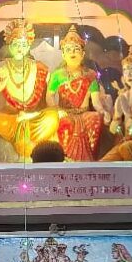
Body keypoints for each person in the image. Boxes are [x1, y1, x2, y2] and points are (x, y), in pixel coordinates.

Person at [0, 20, 59, 160]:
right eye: (16, 44)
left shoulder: (40, 68)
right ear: (9, 45)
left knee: (52, 117)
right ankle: (23, 139)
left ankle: (23, 140)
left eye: (23, 45)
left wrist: (32, 115)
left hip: (33, 118)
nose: (19, 48)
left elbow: (50, 101)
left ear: (29, 45)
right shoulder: (1, 67)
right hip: (11, 119)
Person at [46, 25, 110, 161]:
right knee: (65, 123)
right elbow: (49, 96)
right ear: (63, 54)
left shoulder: (90, 75)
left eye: (76, 49)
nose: (72, 52)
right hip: (65, 112)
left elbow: (96, 101)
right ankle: (65, 158)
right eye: (68, 50)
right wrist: (57, 111)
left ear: (83, 54)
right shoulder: (57, 75)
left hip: (84, 113)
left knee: (95, 118)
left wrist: (103, 111)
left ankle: (89, 159)